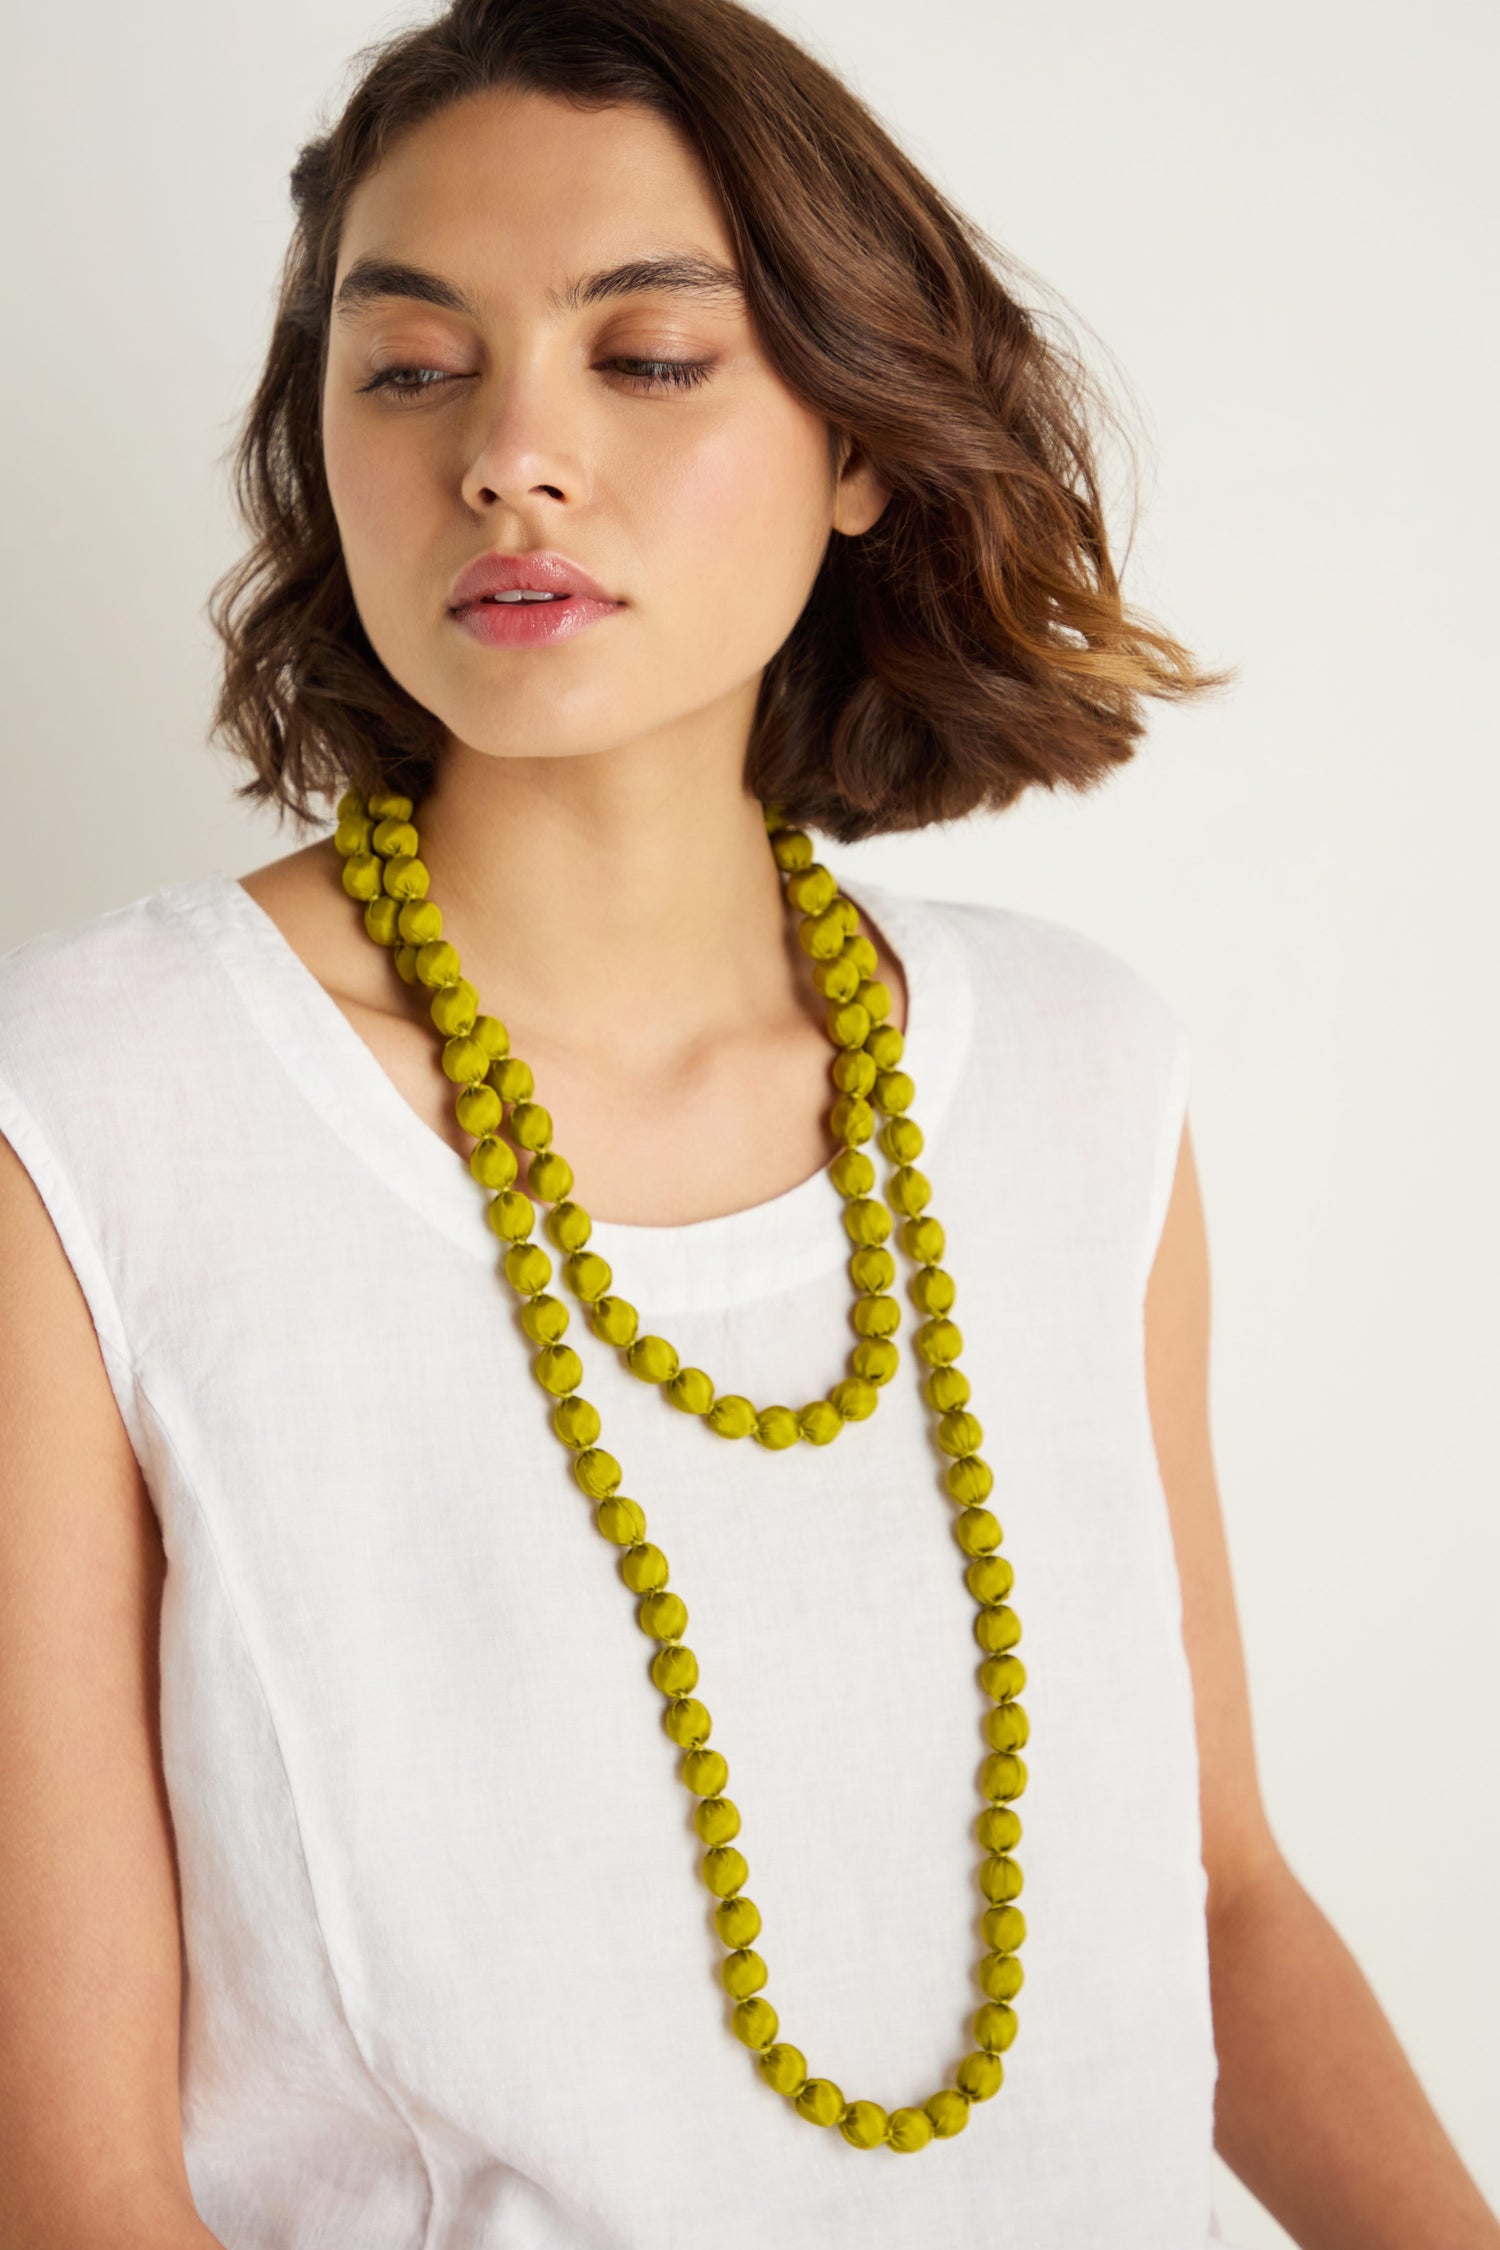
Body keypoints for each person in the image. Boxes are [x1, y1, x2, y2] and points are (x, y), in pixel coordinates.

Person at [1, 1, 1495, 2245]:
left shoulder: (1079, 1075)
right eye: (411, 367)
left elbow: (1212, 1896)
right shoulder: (100, 1110)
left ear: (862, 435)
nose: (512, 454)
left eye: (650, 356)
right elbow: (79, 2184)